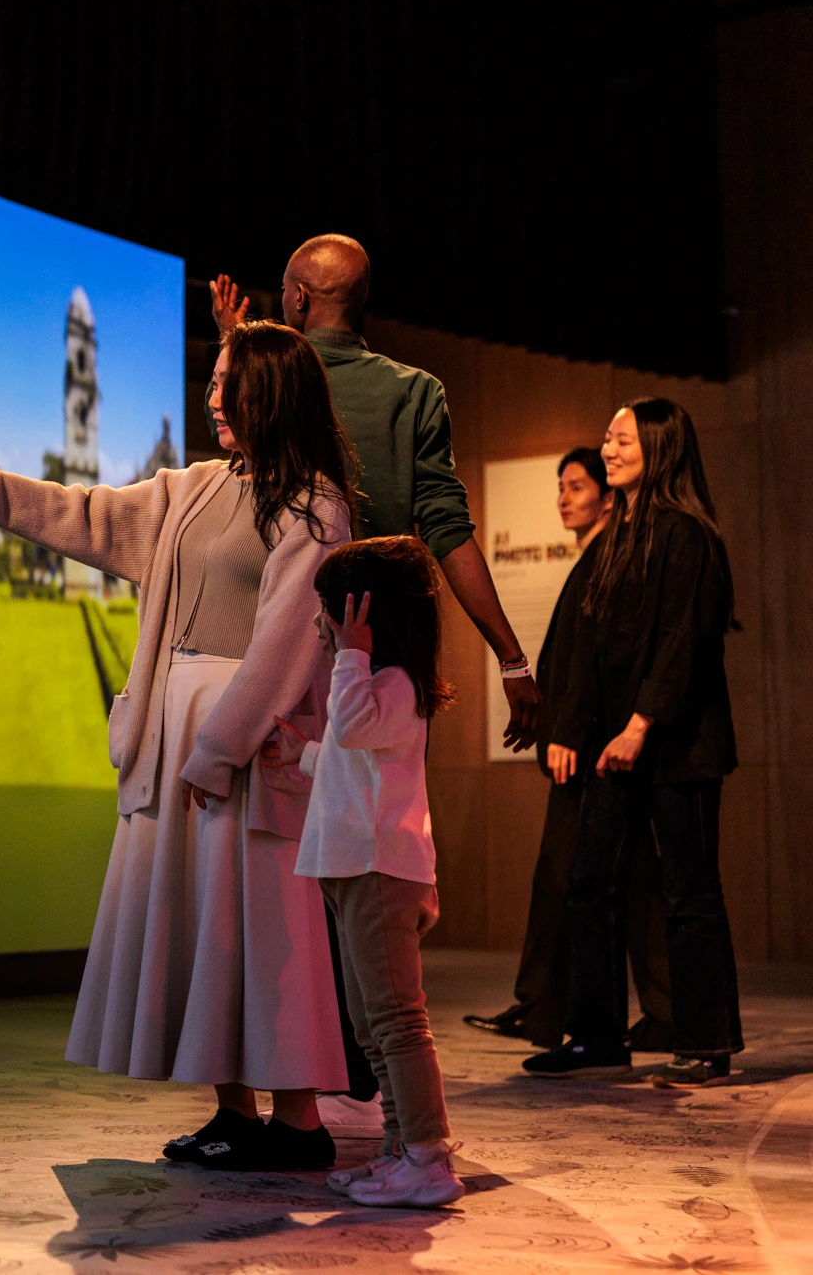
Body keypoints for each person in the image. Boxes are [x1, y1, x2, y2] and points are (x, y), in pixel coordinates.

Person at [0, 320, 354, 1171]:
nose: (214, 398)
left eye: (233, 383)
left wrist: (218, 749)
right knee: (201, 926)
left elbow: (286, 646)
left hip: (245, 743)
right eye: (214, 381)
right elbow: (89, 515)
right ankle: (234, 1112)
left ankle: (300, 1124)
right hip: (177, 724)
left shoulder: (315, 505)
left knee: (263, 926)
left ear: (277, 393)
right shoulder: (192, 489)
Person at [211, 234, 542, 1114]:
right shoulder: (414, 392)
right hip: (384, 643)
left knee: (281, 881)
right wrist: (511, 656)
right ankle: (377, 1076)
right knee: (378, 864)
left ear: (296, 298)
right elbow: (446, 526)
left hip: (283, 650)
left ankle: (297, 1095)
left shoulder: (266, 375)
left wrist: (233, 352)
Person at [523, 399, 740, 1088]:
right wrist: (576, 731)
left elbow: (683, 645)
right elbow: (586, 648)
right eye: (607, 438)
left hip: (677, 745)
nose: (607, 450)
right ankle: (595, 1036)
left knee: (688, 893)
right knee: (588, 882)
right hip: (613, 748)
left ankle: (706, 1041)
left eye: (619, 440)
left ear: (658, 445)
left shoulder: (689, 535)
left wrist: (642, 724)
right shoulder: (616, 539)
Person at [262, 536, 464, 1207]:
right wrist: (303, 754)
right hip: (355, 870)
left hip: (381, 872)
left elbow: (352, 729)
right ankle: (399, 1149)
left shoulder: (395, 684)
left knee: (397, 1020)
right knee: (369, 1024)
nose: (321, 624)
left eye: (330, 611)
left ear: (365, 614)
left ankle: (429, 1156)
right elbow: (354, 761)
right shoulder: (375, 690)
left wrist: (352, 650)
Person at [464, 448, 673, 1048]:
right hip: (589, 744)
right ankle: (550, 1006)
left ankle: (567, 1011)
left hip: (588, 749)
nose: (563, 497)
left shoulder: (610, 557)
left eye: (577, 486)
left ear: (608, 497)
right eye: (560, 486)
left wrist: (568, 733)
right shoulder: (599, 557)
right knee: (597, 877)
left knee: (586, 877)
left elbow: (594, 661)